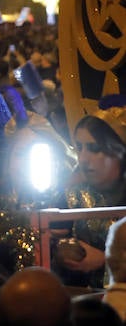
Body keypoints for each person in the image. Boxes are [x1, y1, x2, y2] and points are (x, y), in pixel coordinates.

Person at [57, 98, 126, 287]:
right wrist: (63, 250)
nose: (83, 158)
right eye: (79, 147)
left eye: (94, 149)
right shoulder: (76, 194)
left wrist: (105, 260)